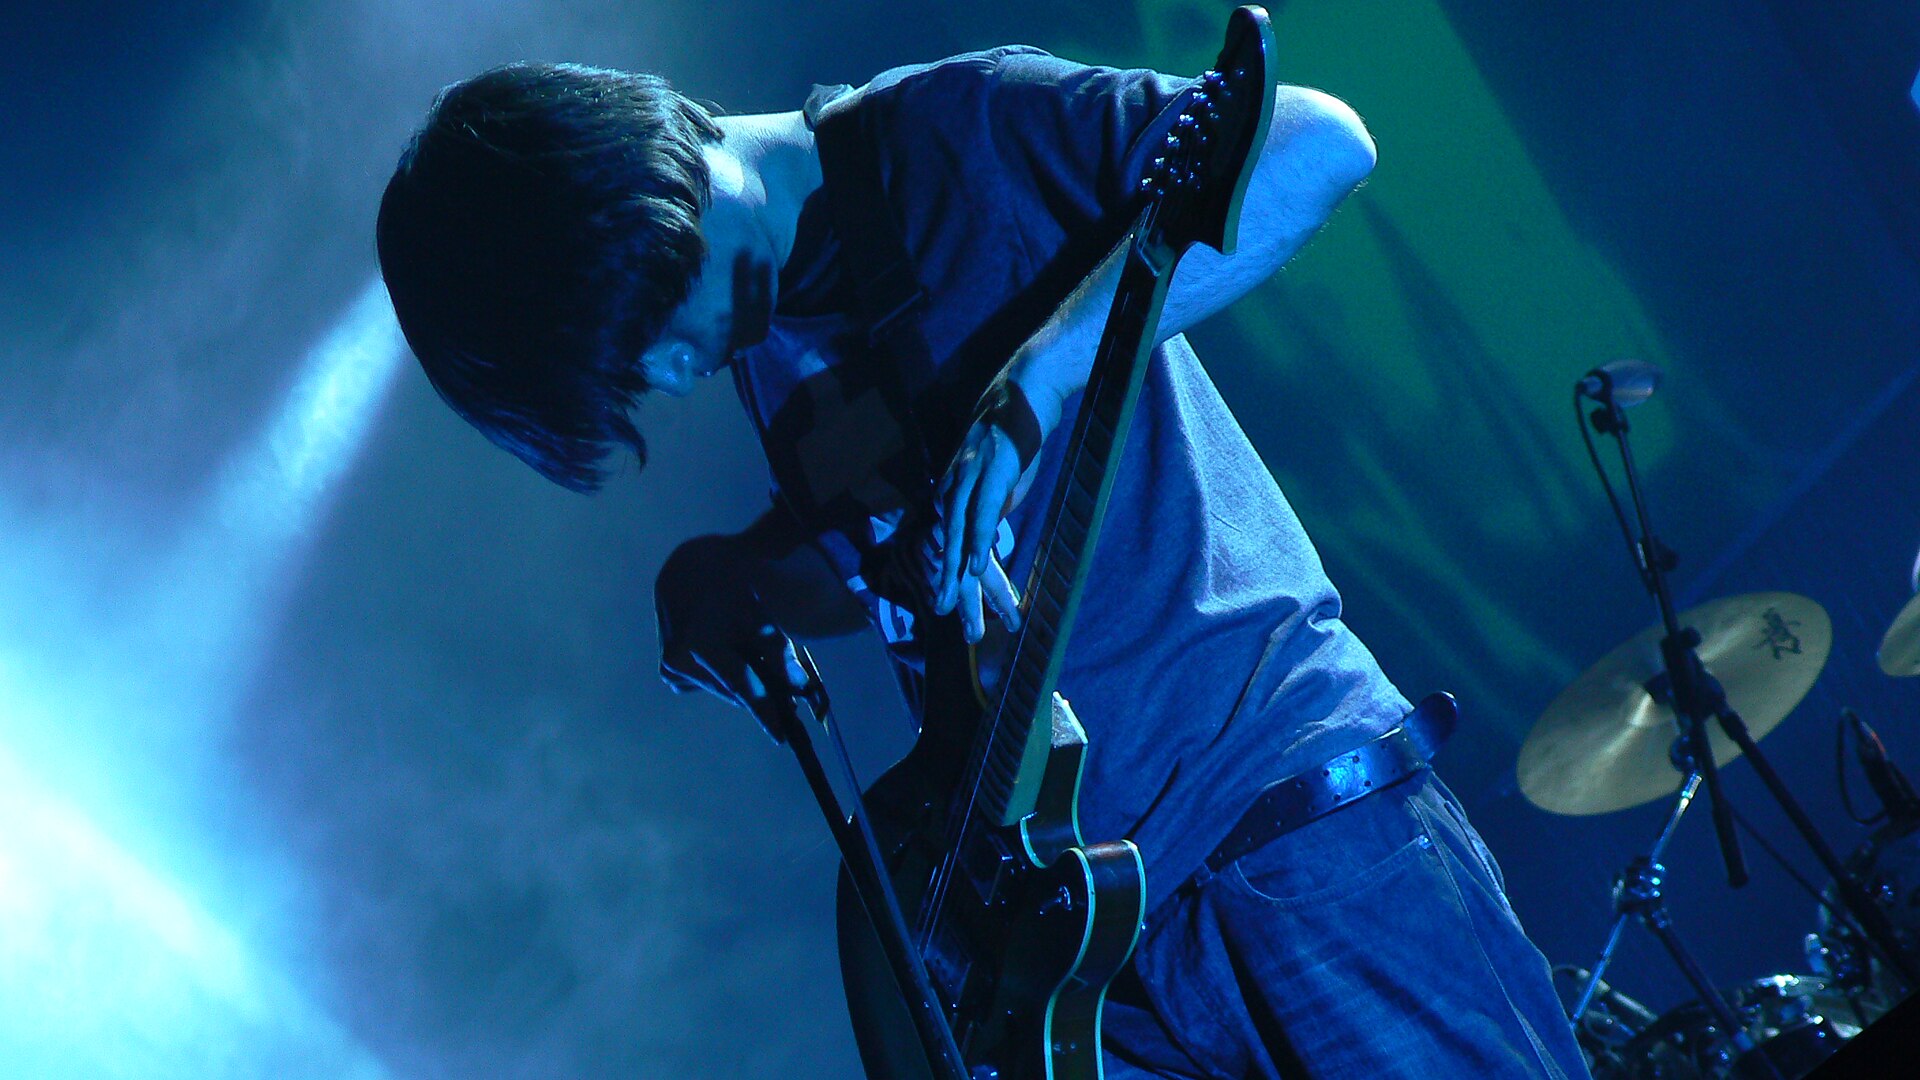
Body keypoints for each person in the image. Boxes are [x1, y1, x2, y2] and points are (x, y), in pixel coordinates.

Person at [376, 39, 1591, 1080]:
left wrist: (1042, 377)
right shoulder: (767, 337)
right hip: (1092, 961)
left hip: (1284, 833)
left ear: (644, 193)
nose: (664, 376)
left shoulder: (959, 130)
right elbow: (889, 567)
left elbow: (1317, 144)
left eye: (639, 329)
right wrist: (746, 575)